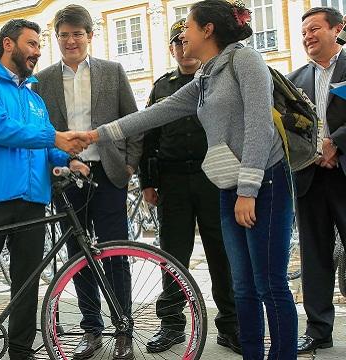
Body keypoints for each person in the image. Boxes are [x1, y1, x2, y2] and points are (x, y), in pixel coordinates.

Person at [82, 1, 297, 358]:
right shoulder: (206, 75)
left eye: (190, 28)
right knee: (243, 285)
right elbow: (156, 113)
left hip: (264, 185)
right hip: (228, 187)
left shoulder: (245, 60)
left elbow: (260, 125)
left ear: (208, 30)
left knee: (269, 284)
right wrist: (95, 135)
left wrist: (248, 190)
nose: (184, 35)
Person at [0, 19, 88, 360]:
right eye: (31, 43)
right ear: (8, 45)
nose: (38, 51)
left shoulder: (34, 99)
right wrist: (54, 137)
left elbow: (45, 145)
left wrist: (69, 158)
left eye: (39, 44)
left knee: (27, 284)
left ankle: (20, 352)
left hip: (32, 199)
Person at [32, 5, 141, 359]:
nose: (70, 41)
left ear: (90, 36)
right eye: (64, 35)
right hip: (67, 178)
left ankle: (124, 328)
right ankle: (91, 329)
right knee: (77, 254)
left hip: (109, 174)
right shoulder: (44, 79)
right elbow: (43, 130)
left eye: (77, 34)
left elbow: (133, 119)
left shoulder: (112, 71)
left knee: (117, 252)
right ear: (57, 39)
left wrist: (129, 165)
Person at [139, 19, 240, 354]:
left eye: (187, 40)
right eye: (177, 43)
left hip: (213, 178)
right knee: (172, 255)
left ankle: (230, 325)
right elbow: (148, 138)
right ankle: (171, 326)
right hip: (172, 182)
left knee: (222, 253)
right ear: (171, 49)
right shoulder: (162, 86)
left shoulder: (216, 80)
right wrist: (148, 182)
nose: (184, 49)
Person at [287, 7, 346, 354]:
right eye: (304, 31)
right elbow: (289, 128)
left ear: (337, 29)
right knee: (315, 255)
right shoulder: (294, 80)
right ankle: (319, 329)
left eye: (315, 29)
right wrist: (313, 151)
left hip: (343, 170)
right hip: (309, 177)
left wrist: (335, 142)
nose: (308, 36)